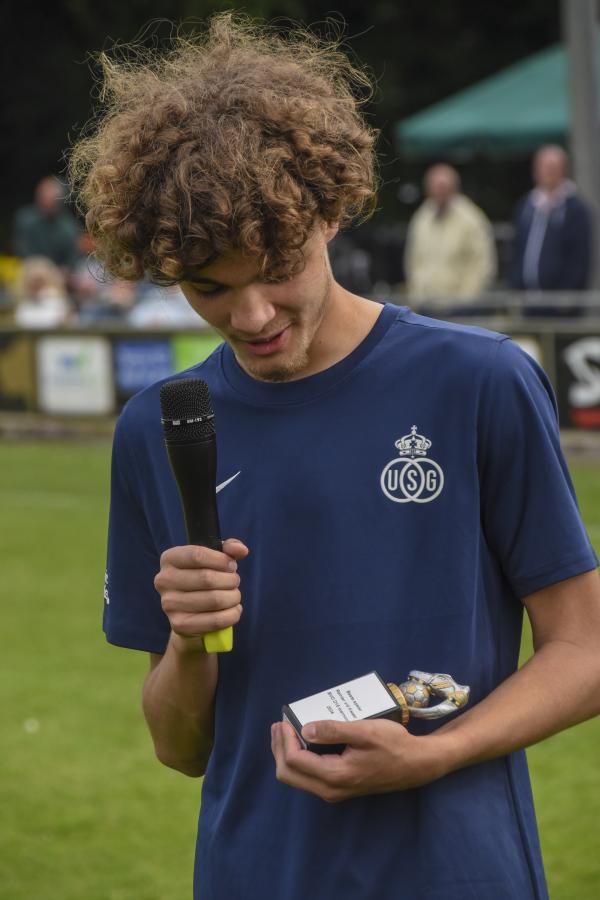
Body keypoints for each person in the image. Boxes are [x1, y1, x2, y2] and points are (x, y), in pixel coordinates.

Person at [70, 15, 600, 900]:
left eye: (275, 265)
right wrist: (190, 647)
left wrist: (439, 753)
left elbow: (583, 648)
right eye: (211, 286)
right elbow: (178, 748)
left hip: (459, 876)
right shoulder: (157, 428)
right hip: (254, 874)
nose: (251, 315)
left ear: (329, 207)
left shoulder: (479, 381)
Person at [404, 163, 497, 303]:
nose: (439, 192)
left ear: (454, 188)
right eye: (435, 187)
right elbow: (412, 260)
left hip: (459, 310)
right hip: (425, 307)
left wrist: (465, 301)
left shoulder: (472, 219)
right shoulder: (422, 217)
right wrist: (416, 292)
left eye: (443, 187)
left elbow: (482, 265)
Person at [511, 145, 593, 293]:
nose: (548, 172)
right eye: (544, 167)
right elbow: (517, 249)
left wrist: (568, 295)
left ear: (563, 170)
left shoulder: (575, 209)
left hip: (561, 304)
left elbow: (580, 257)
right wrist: (516, 284)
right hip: (527, 300)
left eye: (553, 167)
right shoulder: (526, 206)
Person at [13, 176, 82, 271]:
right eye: (44, 198)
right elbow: (22, 251)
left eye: (52, 201)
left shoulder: (70, 227)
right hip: (30, 269)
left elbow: (72, 260)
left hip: (58, 274)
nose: (48, 204)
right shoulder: (25, 219)